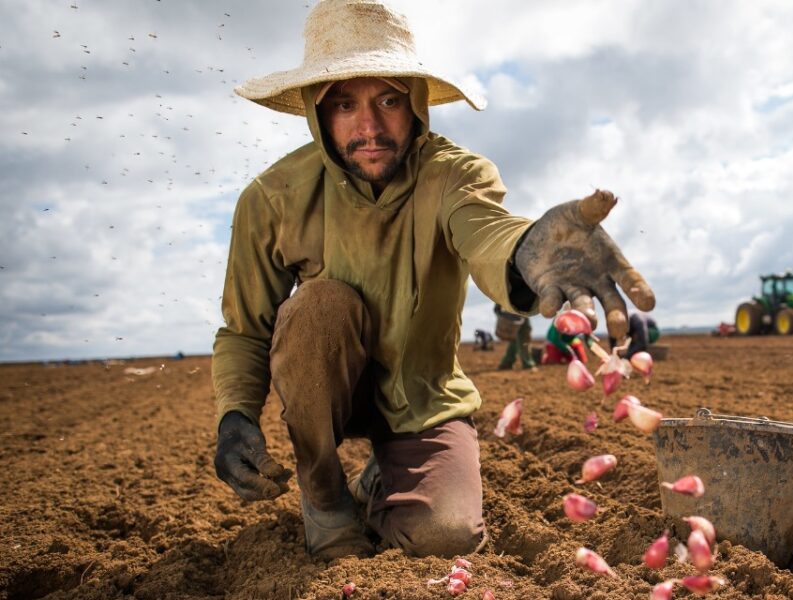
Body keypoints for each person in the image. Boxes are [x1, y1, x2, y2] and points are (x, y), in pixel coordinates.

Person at [211, 0, 654, 562]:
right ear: (315, 112)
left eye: (388, 100)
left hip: (422, 395)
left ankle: (382, 481)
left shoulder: (454, 175)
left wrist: (526, 249)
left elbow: (489, 233)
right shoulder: (274, 198)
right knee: (318, 306)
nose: (369, 127)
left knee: (446, 536)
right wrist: (235, 414)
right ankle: (326, 499)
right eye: (344, 104)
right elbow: (245, 328)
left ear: (416, 103)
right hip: (329, 390)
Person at [494, 304, 535, 370]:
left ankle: (507, 362)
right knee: (524, 334)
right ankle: (527, 363)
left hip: (520, 309)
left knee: (517, 336)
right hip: (517, 308)